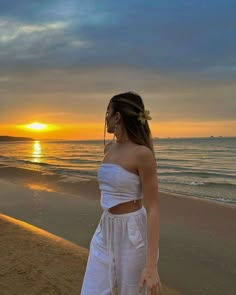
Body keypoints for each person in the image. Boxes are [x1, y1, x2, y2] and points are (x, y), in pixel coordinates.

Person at [80, 92, 162, 295]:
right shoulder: (109, 148)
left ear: (117, 117)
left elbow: (152, 208)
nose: (105, 117)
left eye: (108, 112)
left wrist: (151, 267)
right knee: (93, 289)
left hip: (133, 233)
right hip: (105, 229)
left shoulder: (142, 154)